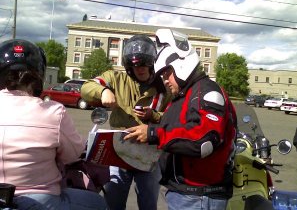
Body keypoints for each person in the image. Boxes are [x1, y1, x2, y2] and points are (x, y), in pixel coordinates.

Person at [124, 29, 237, 210]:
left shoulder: (206, 92)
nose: (165, 81)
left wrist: (154, 134)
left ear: (180, 65)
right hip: (185, 193)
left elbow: (203, 141)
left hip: (198, 196)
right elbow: (173, 130)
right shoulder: (186, 95)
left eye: (166, 74)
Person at [0, 39, 107, 210]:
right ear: (38, 75)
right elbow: (74, 155)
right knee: (98, 203)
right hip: (40, 200)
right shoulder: (53, 111)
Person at [81, 35, 171, 210]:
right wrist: (104, 91)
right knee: (113, 200)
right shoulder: (115, 78)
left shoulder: (164, 87)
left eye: (144, 64)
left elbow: (172, 117)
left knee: (148, 202)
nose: (140, 69)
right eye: (135, 65)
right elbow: (86, 87)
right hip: (118, 149)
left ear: (152, 62)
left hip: (150, 151)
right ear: (128, 65)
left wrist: (154, 116)